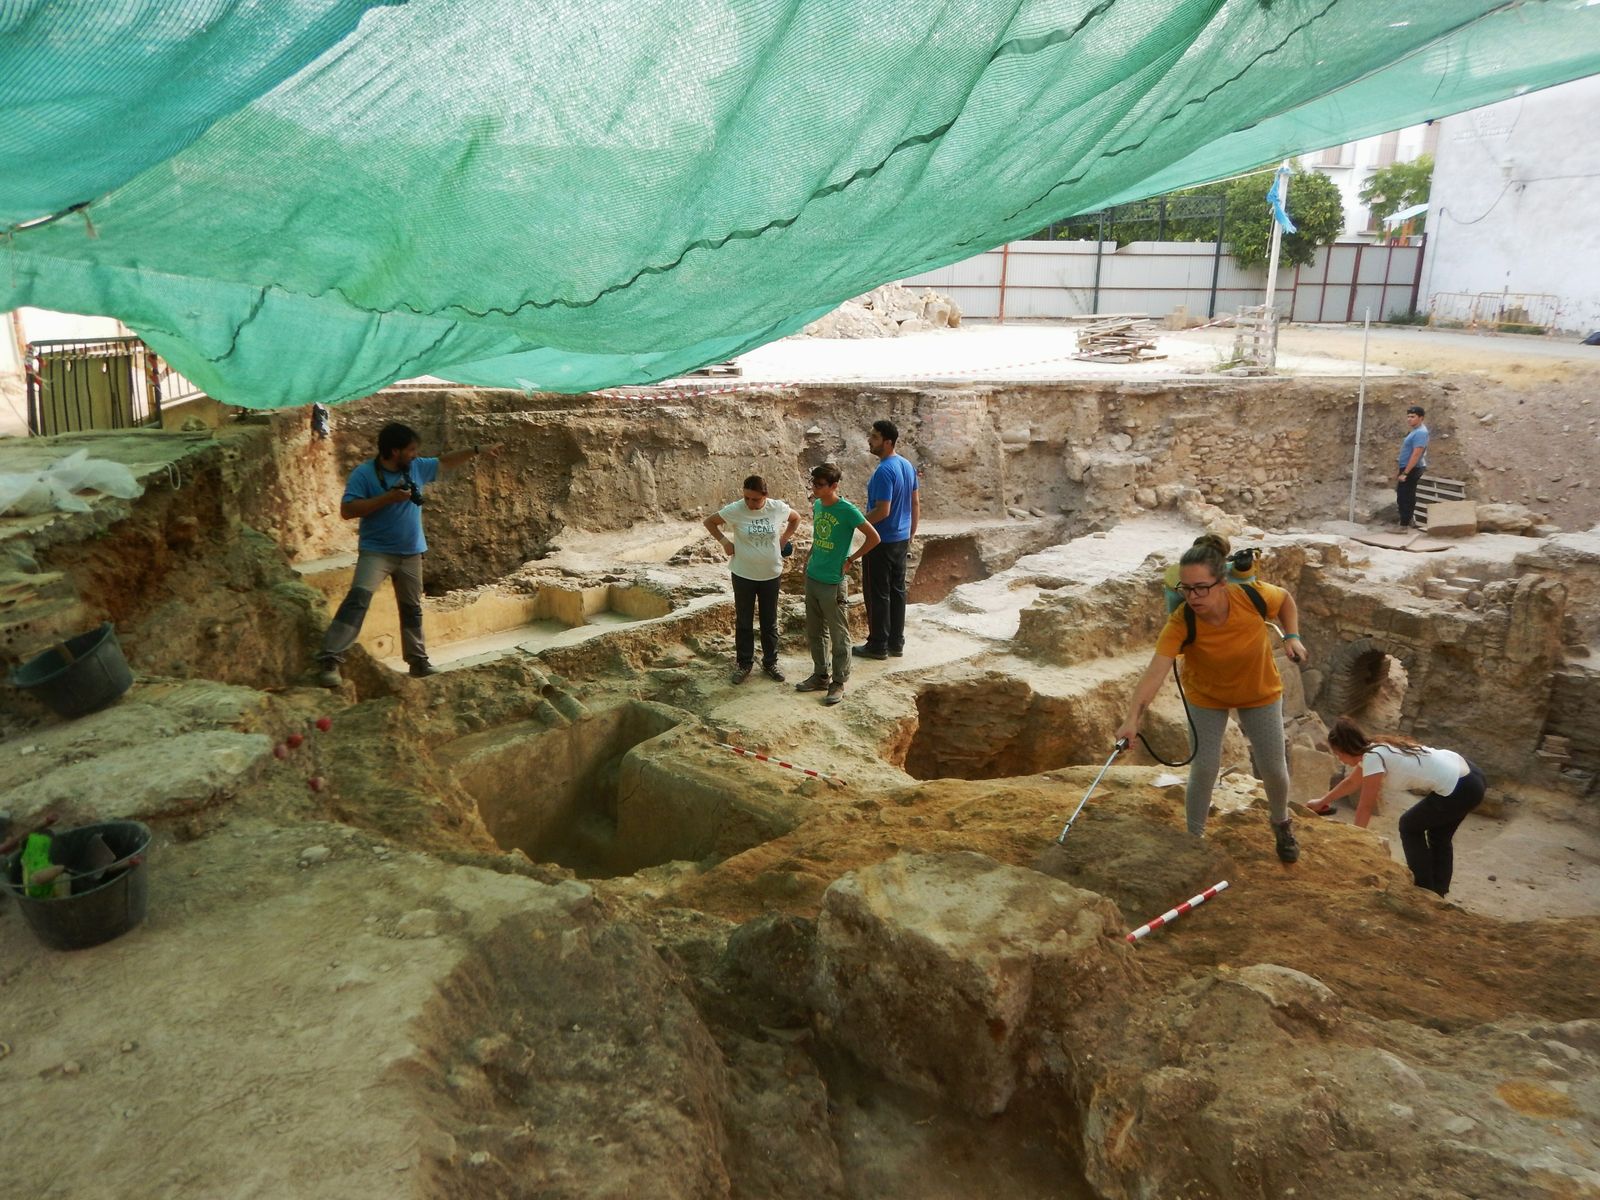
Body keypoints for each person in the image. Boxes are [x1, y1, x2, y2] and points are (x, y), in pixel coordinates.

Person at [1115, 534, 1311, 863]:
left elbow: (1286, 601)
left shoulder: (1250, 595)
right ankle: (1194, 838)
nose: (1193, 597)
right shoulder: (1181, 622)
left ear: (1222, 583)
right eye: (1186, 589)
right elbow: (1155, 673)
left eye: (1201, 587)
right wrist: (1131, 720)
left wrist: (1292, 636)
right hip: (1206, 696)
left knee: (1274, 769)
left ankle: (1281, 823)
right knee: (1204, 768)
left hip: (1258, 691)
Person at [316, 422, 497, 686]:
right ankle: (330, 659)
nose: (415, 454)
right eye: (411, 450)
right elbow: (348, 510)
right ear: (394, 451)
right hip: (376, 552)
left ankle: (418, 662)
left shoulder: (415, 468)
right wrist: (386, 499)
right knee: (357, 600)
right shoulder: (364, 474)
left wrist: (477, 449)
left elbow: (445, 462)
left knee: (412, 609)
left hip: (412, 552)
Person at [1310, 716, 1486, 897]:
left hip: (1461, 787)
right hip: (1469, 775)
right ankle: (1437, 894)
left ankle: (1423, 890)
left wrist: (1356, 841)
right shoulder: (1375, 747)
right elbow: (1352, 782)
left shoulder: (1372, 757)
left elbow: (1365, 806)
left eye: (1339, 754)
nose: (1340, 759)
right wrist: (1322, 801)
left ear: (1346, 748)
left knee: (1409, 826)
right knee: (1439, 836)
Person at [704, 475, 802, 685]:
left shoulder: (777, 508)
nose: (750, 503)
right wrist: (724, 541)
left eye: (755, 499)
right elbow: (710, 521)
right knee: (744, 621)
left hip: (770, 574)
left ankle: (770, 662)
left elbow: (796, 518)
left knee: (769, 621)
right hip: (743, 574)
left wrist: (784, 539)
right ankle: (744, 663)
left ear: (765, 495)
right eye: (747, 498)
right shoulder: (736, 509)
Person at [797, 462, 879, 706]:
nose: (814, 488)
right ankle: (820, 674)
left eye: (820, 485)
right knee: (815, 630)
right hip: (814, 575)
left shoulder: (847, 510)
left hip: (833, 581)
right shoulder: (819, 504)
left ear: (834, 486)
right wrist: (809, 559)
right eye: (813, 483)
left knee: (839, 633)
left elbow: (874, 537)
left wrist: (852, 559)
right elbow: (819, 535)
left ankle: (839, 681)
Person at [854, 419, 919, 661]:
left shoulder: (884, 471)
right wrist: (911, 533)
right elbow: (915, 503)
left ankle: (878, 644)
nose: (870, 440)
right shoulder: (906, 465)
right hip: (901, 539)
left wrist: (857, 523)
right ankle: (896, 642)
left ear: (887, 441)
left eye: (874, 437)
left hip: (881, 540)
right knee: (897, 591)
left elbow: (882, 510)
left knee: (877, 592)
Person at [1395, 404, 1429, 530]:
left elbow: (1416, 454)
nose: (1409, 419)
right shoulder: (1416, 430)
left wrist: (1406, 473)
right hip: (1409, 467)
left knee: (1405, 496)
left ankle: (1404, 525)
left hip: (1412, 468)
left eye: (1413, 417)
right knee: (1405, 494)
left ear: (1421, 418)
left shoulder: (1420, 433)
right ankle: (1407, 521)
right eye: (1408, 416)